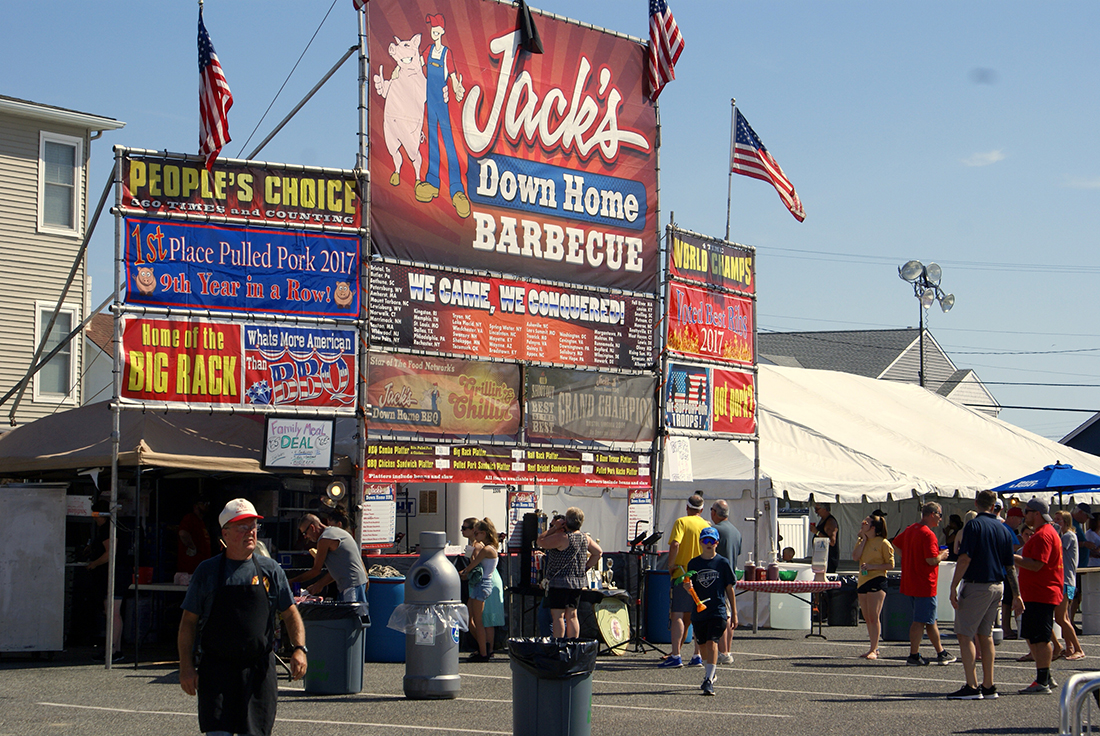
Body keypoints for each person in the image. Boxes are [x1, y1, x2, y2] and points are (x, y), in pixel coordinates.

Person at [178, 499, 307, 736]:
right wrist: (186, 666)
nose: (250, 532)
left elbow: (290, 613)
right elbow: (188, 622)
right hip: (216, 670)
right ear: (225, 533)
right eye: (242, 527)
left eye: (253, 527)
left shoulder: (271, 570)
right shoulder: (206, 572)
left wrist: (299, 648)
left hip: (258, 672)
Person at [946, 490, 1023, 700]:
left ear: (976, 503)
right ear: (993, 506)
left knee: (964, 634)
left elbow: (965, 558)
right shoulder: (1004, 529)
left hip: (977, 585)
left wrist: (953, 586)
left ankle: (972, 686)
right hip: (998, 585)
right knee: (986, 634)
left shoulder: (974, 525)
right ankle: (989, 684)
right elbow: (1010, 566)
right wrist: (1017, 594)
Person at [416, 13, 471, 219]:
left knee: (449, 144)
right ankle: (432, 183)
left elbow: (454, 76)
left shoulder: (447, 53)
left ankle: (457, 190)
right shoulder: (428, 50)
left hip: (443, 103)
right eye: (432, 28)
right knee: (432, 143)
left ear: (443, 31)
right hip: (430, 103)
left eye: (437, 28)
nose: (434, 32)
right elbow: (416, 63)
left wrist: (457, 89)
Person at [894, 502, 955, 666]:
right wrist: (942, 555)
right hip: (924, 583)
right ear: (932, 514)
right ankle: (914, 655)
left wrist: (908, 557)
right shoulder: (928, 534)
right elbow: (930, 560)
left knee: (930, 620)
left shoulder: (910, 529)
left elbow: (895, 544)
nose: (941, 519)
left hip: (912, 581)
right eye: (940, 515)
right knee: (921, 620)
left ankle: (940, 652)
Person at [1015, 498, 1065, 694]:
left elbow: (1037, 564)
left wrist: (1010, 557)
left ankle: (1042, 679)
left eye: (1026, 511)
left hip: (1041, 592)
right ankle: (1046, 677)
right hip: (1037, 592)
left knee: (1040, 638)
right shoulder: (1044, 533)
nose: (1024, 515)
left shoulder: (1043, 535)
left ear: (1036, 513)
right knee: (1033, 636)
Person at [658, 493, 711, 668]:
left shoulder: (681, 522)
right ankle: (696, 655)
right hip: (702, 575)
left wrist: (671, 564)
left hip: (683, 573)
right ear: (701, 509)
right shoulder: (706, 525)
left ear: (687, 508)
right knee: (697, 614)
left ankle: (676, 654)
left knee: (678, 614)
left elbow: (675, 544)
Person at [684, 527, 738, 696]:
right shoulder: (694, 563)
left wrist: (734, 613)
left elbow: (730, 588)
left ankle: (708, 679)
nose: (709, 544)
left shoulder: (723, 563)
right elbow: (689, 585)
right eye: (705, 540)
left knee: (712, 642)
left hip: (718, 609)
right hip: (700, 610)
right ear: (700, 542)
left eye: (712, 541)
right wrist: (687, 588)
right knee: (701, 644)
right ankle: (710, 673)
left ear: (717, 543)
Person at [538, 507, 602, 638]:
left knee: (558, 616)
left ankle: (559, 645)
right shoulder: (585, 538)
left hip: (559, 582)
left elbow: (540, 541)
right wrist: (585, 567)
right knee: (572, 615)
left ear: (566, 521)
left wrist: (554, 528)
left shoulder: (562, 537)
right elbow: (598, 553)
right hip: (577, 582)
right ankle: (573, 646)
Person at [84, 499, 133, 664]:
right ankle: (116, 649)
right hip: (122, 572)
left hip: (114, 574)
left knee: (112, 612)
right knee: (114, 611)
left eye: (96, 515)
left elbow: (109, 552)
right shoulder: (119, 527)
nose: (94, 519)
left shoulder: (108, 529)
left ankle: (111, 650)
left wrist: (93, 564)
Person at [291, 513, 370, 614]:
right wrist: (318, 585)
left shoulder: (325, 539)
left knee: (352, 619)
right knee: (354, 620)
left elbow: (315, 571)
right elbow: (338, 570)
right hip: (353, 583)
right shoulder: (336, 531)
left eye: (305, 533)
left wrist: (292, 581)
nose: (306, 537)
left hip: (351, 585)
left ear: (312, 527)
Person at [853, 514, 894, 660]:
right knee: (867, 616)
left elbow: (890, 564)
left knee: (874, 615)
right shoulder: (862, 541)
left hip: (877, 579)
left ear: (873, 527)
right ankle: (872, 647)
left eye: (866, 523)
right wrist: (863, 539)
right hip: (863, 580)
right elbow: (855, 557)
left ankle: (874, 648)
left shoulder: (883, 543)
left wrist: (872, 566)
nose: (862, 524)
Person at [459, 518, 501, 661]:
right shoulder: (490, 548)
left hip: (482, 584)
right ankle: (483, 648)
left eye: (477, 533)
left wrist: (464, 572)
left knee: (479, 620)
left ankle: (484, 652)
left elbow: (473, 565)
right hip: (482, 584)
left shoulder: (487, 549)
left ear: (483, 533)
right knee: (471, 618)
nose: (475, 537)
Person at [709, 499, 742, 665]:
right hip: (731, 577)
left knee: (721, 615)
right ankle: (727, 650)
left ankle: (723, 651)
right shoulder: (736, 532)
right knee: (728, 614)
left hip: (716, 578)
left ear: (715, 512)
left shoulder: (714, 531)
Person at [1054, 511, 1085, 660]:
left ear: (1066, 521)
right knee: (1064, 616)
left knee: (1061, 619)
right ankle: (1070, 647)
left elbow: (1056, 550)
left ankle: (1078, 649)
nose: (1055, 522)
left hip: (1065, 581)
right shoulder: (1068, 535)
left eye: (1058, 520)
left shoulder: (1067, 536)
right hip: (1067, 581)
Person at [177, 496, 211, 579]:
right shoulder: (190, 518)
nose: (206, 506)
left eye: (207, 504)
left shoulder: (201, 522)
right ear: (195, 506)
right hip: (190, 571)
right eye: (203, 504)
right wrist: (192, 547)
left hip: (201, 568)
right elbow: (182, 533)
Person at [811, 501, 840, 573]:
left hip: (828, 559)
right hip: (821, 557)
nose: (816, 511)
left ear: (824, 509)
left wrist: (817, 532)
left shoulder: (830, 522)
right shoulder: (823, 520)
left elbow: (832, 542)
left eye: (817, 509)